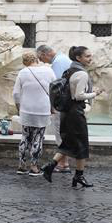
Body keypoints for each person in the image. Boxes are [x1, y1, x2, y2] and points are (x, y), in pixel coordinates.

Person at [41, 46, 104, 188]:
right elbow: (78, 96)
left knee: (68, 143)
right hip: (75, 113)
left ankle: (51, 166)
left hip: (67, 112)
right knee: (81, 145)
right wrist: (95, 93)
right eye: (87, 56)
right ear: (78, 58)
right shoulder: (82, 74)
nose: (90, 58)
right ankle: (78, 176)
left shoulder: (69, 71)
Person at [13, 52, 56, 176]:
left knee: (25, 136)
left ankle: (21, 166)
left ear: (24, 62)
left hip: (26, 109)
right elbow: (54, 91)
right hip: (43, 109)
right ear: (37, 59)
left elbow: (16, 93)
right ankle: (34, 167)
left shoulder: (22, 73)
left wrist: (18, 107)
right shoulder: (49, 71)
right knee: (38, 137)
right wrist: (53, 107)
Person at [36, 45, 72, 174]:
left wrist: (52, 107)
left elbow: (56, 87)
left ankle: (63, 164)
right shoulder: (63, 59)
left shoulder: (58, 62)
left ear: (46, 54)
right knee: (63, 134)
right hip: (68, 104)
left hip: (61, 105)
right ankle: (64, 163)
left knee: (60, 133)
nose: (41, 61)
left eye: (41, 58)